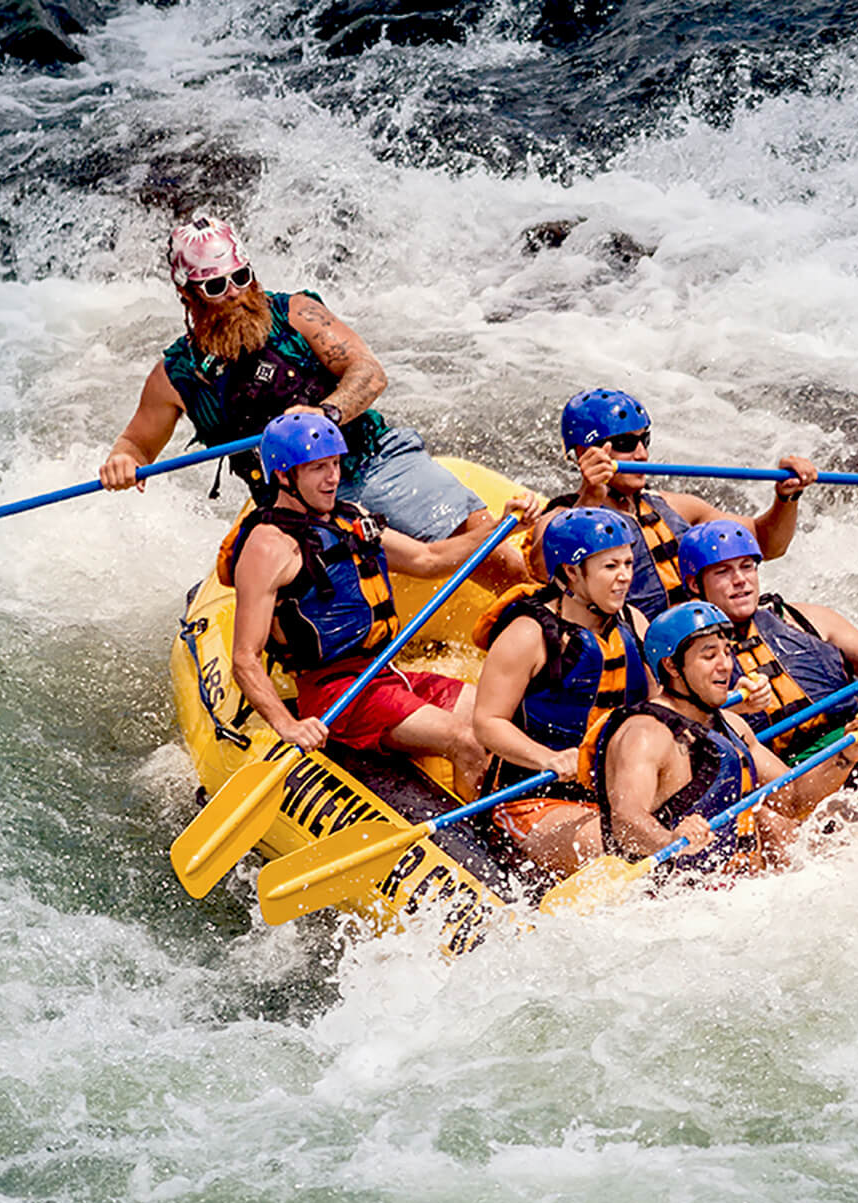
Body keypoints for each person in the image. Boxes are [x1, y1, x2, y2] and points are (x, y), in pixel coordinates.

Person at [100, 213, 525, 584]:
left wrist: (325, 414)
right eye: (215, 286)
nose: (234, 294)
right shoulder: (176, 376)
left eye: (241, 278)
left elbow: (368, 373)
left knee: (492, 555)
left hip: (368, 461)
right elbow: (137, 445)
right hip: (289, 506)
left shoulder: (297, 314)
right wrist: (123, 460)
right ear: (188, 295)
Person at [218, 414, 536, 798]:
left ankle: (518, 811)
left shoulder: (350, 518)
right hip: (336, 692)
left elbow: (428, 558)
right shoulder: (269, 546)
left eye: (335, 464)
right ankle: (480, 844)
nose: (332, 477)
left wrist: (502, 526)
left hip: (384, 675)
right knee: (467, 740)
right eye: (318, 468)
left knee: (500, 719)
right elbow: (245, 658)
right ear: (284, 477)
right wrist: (288, 726)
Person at [591, 601, 858, 877]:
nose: (726, 665)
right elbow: (625, 820)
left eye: (726, 652)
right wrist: (670, 839)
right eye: (709, 656)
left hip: (739, 894)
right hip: (677, 904)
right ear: (671, 666)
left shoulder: (732, 724)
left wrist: (846, 757)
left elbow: (793, 800)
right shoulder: (645, 734)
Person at [466, 507, 654, 876]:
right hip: (533, 798)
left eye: (628, 564)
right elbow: (487, 723)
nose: (624, 578)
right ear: (571, 572)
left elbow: (660, 704)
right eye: (610, 567)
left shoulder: (633, 623)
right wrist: (546, 758)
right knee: (616, 850)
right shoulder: (527, 634)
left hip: (615, 795)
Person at [536, 388, 820, 618]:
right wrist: (589, 498)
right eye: (625, 444)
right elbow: (539, 569)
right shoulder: (562, 518)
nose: (642, 454)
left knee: (817, 619)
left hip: (710, 640)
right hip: (656, 660)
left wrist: (786, 497)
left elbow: (767, 544)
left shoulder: (674, 505)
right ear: (586, 452)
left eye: (644, 440)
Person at [677, 519, 858, 762]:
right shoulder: (687, 655)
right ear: (694, 584)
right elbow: (680, 733)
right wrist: (734, 707)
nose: (740, 579)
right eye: (723, 571)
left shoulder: (804, 619)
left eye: (747, 566)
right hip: (785, 774)